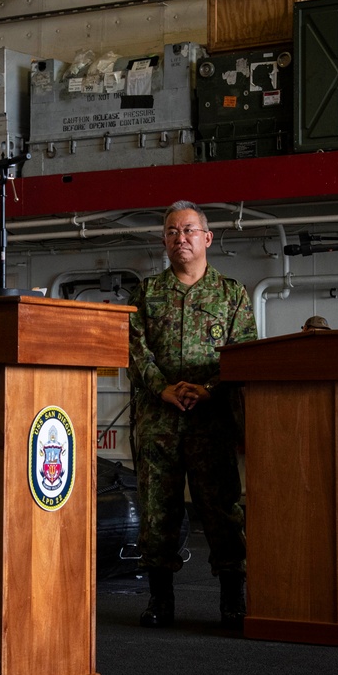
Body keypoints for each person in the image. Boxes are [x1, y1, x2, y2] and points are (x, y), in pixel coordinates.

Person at [127, 200, 257, 630]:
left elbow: (243, 354)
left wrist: (209, 389)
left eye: (187, 231)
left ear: (207, 238)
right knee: (157, 511)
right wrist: (162, 387)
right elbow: (133, 349)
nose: (179, 239)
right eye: (170, 232)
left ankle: (232, 603)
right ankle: (160, 601)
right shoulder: (146, 294)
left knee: (222, 510)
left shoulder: (232, 295)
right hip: (158, 422)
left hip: (211, 421)